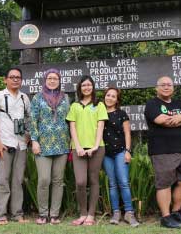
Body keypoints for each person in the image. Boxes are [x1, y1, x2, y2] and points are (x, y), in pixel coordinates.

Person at [144, 76, 181, 229]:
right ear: (157, 88)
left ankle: (176, 213)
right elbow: (163, 121)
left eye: (169, 85)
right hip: (162, 150)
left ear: (173, 88)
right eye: (163, 85)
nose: (166, 87)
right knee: (164, 183)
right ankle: (166, 217)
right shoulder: (152, 104)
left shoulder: (178, 104)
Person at [0, 67, 31, 225]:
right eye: (12, 77)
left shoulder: (24, 98)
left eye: (18, 77)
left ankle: (17, 214)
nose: (15, 80)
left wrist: (28, 135)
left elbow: (29, 118)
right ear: (5, 79)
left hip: (21, 145)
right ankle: (0, 214)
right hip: (4, 144)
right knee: (2, 180)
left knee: (18, 180)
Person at [66, 75, 108, 226]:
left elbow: (101, 126)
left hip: (97, 148)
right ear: (80, 88)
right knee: (81, 181)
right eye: (84, 85)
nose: (86, 87)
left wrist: (95, 146)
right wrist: (77, 146)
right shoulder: (75, 106)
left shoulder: (99, 105)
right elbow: (72, 127)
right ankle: (82, 213)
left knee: (93, 180)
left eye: (89, 85)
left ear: (93, 87)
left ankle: (91, 215)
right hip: (78, 149)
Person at [30, 69, 70, 225]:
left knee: (58, 180)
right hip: (43, 145)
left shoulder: (66, 97)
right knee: (44, 180)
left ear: (59, 81)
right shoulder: (37, 98)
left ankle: (54, 214)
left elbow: (70, 120)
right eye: (50, 78)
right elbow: (33, 120)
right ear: (45, 80)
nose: (52, 81)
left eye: (55, 78)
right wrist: (34, 140)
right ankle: (43, 213)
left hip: (62, 144)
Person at [102, 87, 139, 227]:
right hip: (106, 154)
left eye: (113, 96)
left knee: (123, 182)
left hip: (120, 152)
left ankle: (129, 213)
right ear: (104, 96)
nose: (110, 98)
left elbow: (128, 133)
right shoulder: (99, 113)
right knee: (112, 184)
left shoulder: (122, 114)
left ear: (117, 100)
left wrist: (128, 151)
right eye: (108, 95)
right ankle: (116, 213)